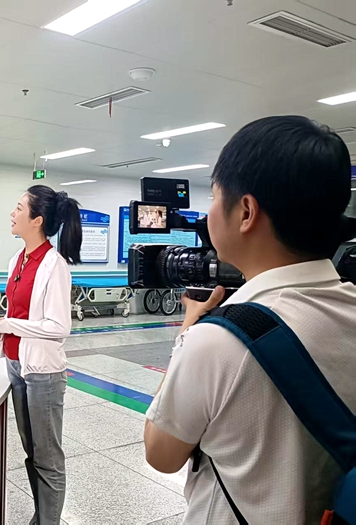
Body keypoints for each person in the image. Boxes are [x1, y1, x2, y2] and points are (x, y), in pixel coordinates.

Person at [143, 116, 356, 524]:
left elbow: (161, 454)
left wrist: (189, 332)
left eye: (213, 196)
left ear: (245, 212)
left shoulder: (217, 341)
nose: (208, 214)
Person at [0, 185, 82, 525]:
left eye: (19, 208)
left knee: (48, 458)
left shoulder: (54, 265)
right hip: (16, 365)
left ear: (37, 220)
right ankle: (41, 517)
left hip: (43, 373)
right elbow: (21, 315)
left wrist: (10, 324)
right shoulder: (17, 260)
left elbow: (58, 327)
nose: (12, 213)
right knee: (31, 452)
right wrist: (1, 330)